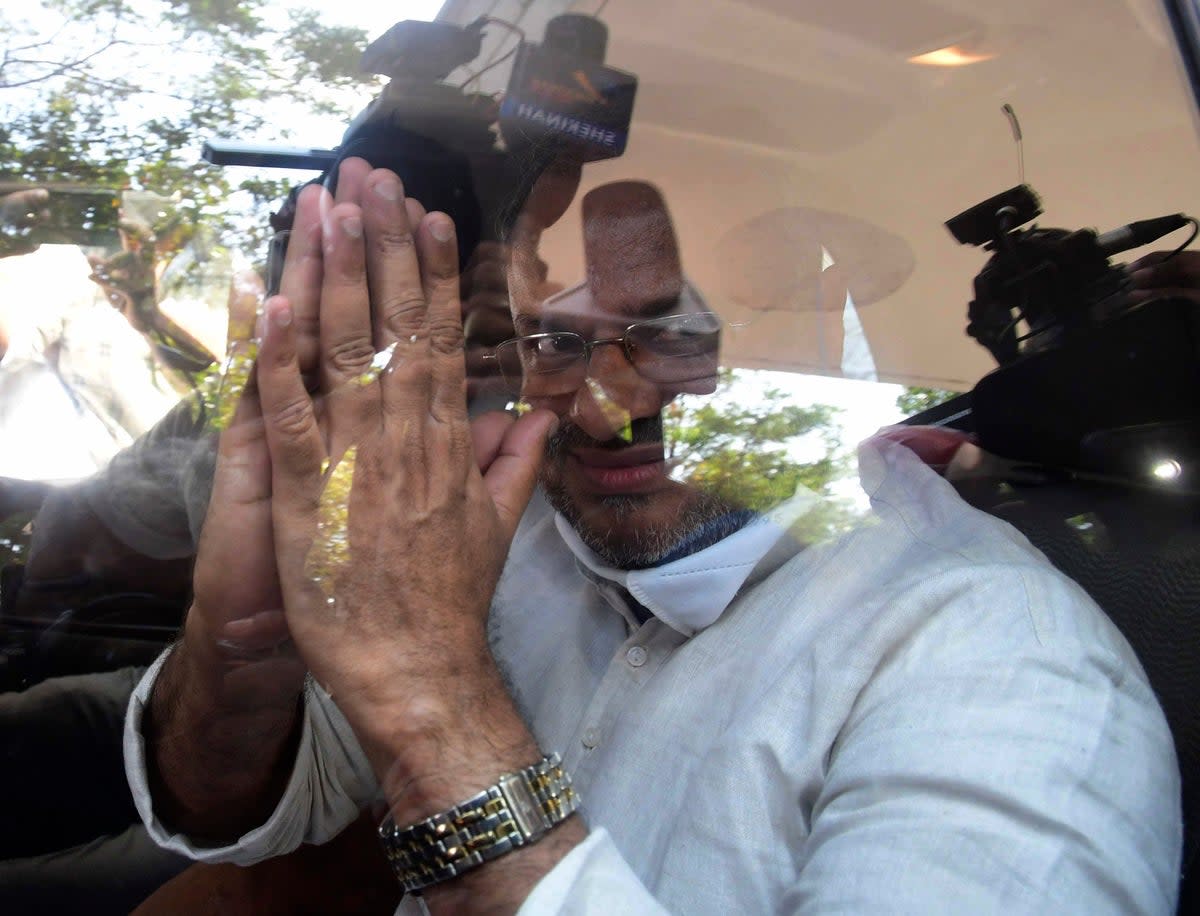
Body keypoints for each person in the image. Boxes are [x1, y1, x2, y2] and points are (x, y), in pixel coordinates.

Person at [123, 159, 1180, 914]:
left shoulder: (1010, 664)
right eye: (560, 344)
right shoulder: (513, 538)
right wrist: (244, 635)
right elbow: (259, 807)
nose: (600, 406)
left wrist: (438, 703)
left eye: (672, 340)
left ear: (815, 354)